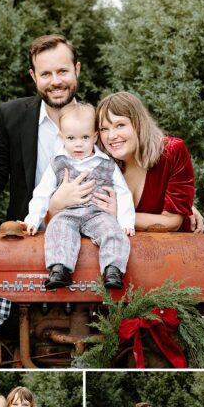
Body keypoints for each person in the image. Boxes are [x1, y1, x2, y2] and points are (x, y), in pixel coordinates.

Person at [0, 35, 204, 237]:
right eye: (46, 74)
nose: (56, 81)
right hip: (30, 234)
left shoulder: (97, 121)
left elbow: (133, 163)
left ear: (77, 70)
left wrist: (182, 208)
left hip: (90, 235)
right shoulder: (11, 116)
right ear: (33, 76)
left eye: (63, 71)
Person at [23, 102, 134, 291]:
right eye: (71, 138)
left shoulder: (107, 163)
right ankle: (60, 269)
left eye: (85, 137)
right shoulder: (57, 163)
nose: (78, 144)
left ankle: (113, 269)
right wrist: (32, 219)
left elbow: (123, 193)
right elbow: (42, 193)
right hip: (67, 214)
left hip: (98, 214)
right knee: (57, 229)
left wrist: (126, 222)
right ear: (61, 137)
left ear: (95, 137)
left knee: (113, 232)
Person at [53, 90, 198, 234]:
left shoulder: (172, 152)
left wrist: (119, 215)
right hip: (118, 248)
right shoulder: (97, 159)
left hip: (171, 250)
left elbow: (172, 222)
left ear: (138, 124)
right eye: (104, 129)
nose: (112, 136)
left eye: (120, 125)